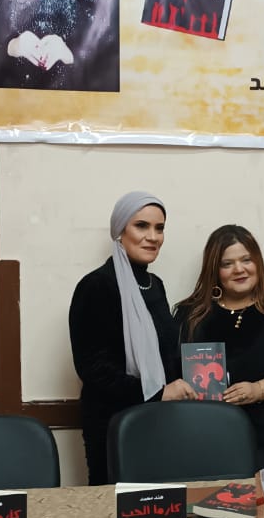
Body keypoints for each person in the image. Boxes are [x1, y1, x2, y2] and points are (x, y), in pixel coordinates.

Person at [69, 191, 197, 485]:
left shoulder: (155, 285)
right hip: (113, 426)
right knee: (116, 507)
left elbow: (166, 354)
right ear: (120, 231)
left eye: (159, 228)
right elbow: (93, 369)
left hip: (160, 421)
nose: (153, 237)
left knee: (162, 503)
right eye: (141, 226)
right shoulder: (96, 286)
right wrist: (157, 393)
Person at [175, 225, 264, 468]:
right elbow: (173, 370)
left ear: (257, 262)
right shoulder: (192, 314)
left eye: (246, 260)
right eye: (227, 264)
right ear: (214, 270)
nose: (239, 269)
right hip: (211, 436)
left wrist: (258, 390)